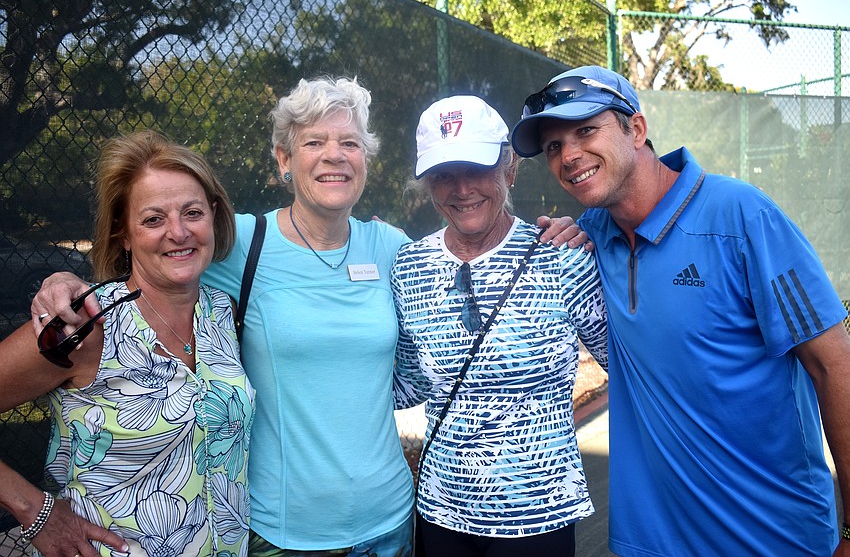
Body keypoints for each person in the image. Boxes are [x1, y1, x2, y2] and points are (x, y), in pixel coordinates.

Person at [30, 77, 588, 556]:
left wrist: (561, 234)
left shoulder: (396, 250)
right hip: (284, 529)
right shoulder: (239, 244)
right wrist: (63, 283)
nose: (334, 154)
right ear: (283, 159)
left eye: (349, 141)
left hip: (394, 519)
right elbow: (153, 258)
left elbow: (466, 264)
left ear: (365, 159)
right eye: (314, 141)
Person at [510, 64, 850, 555]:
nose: (569, 155)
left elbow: (834, 362)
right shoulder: (589, 237)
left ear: (637, 129)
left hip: (773, 537)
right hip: (649, 541)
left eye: (586, 130)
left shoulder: (741, 215)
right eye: (554, 147)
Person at [0, 130, 255, 556]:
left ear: (213, 215)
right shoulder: (85, 323)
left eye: (192, 212)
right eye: (153, 219)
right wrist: (34, 511)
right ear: (124, 234)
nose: (178, 232)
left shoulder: (223, 313)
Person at [391, 95, 608, 556]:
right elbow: (407, 386)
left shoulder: (563, 256)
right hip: (441, 511)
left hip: (540, 516)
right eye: (443, 174)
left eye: (477, 168)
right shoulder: (408, 266)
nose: (462, 188)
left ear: (509, 168)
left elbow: (624, 360)